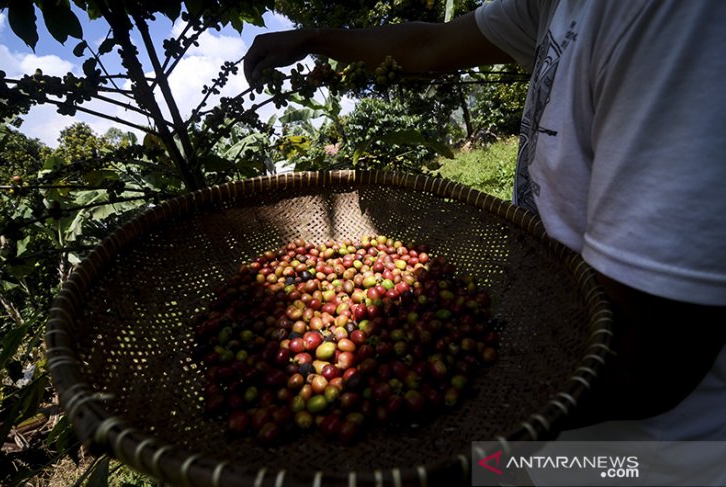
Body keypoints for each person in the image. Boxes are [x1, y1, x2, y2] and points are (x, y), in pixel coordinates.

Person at [245, 0, 726, 479]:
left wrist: (457, 425)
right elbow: (428, 42)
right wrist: (315, 38)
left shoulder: (672, 16)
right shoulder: (549, 5)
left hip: (652, 456)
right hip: (552, 414)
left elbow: (653, 356)